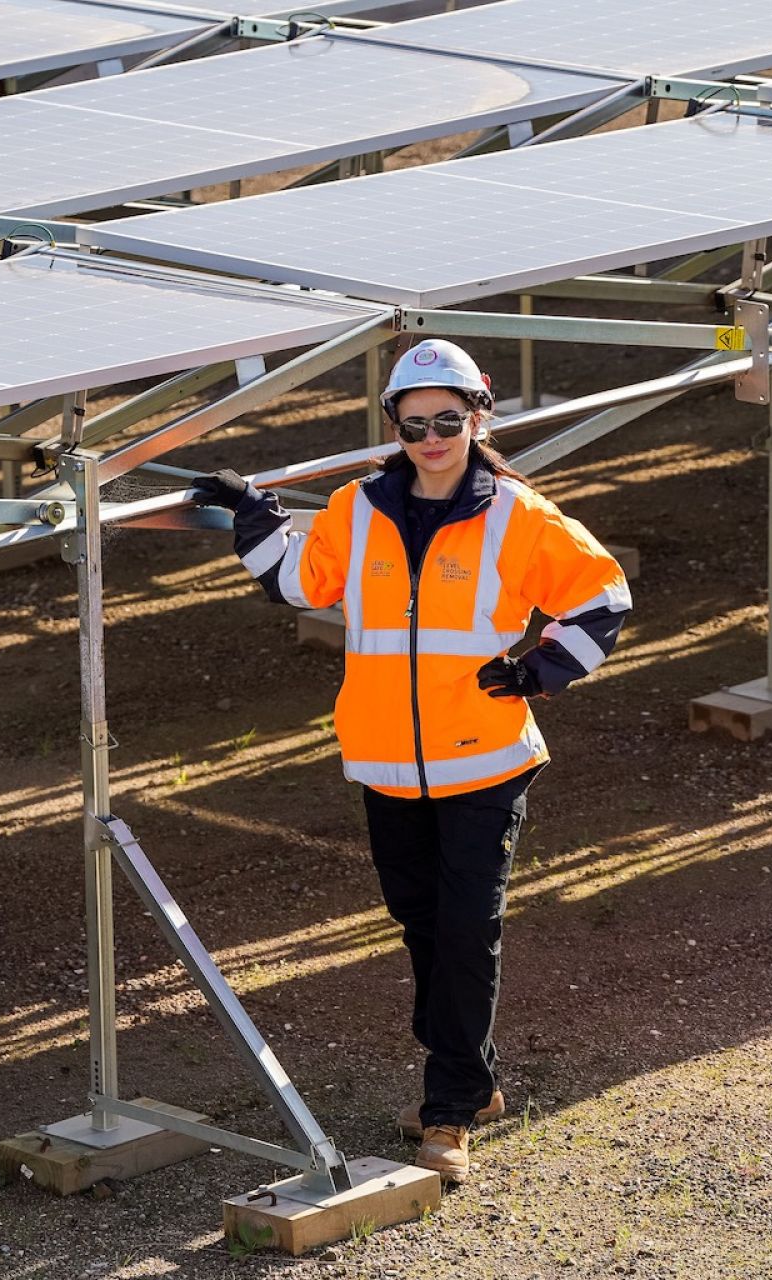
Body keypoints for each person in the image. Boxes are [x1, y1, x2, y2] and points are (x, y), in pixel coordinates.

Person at [192, 339, 630, 1182]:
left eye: (449, 419)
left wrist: (540, 671)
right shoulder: (357, 509)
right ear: (393, 422)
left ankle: (450, 1108)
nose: (432, 436)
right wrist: (252, 509)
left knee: (467, 928)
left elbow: (603, 596)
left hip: (489, 762)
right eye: (415, 420)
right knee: (422, 923)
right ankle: (472, 1077)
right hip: (386, 764)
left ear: (479, 415)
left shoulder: (518, 513)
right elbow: (298, 583)